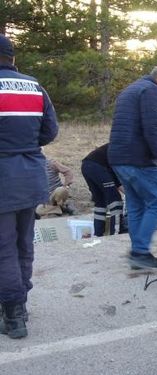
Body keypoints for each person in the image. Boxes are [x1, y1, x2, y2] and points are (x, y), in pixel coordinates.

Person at [0, 34, 58, 339]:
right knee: (24, 244)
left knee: (4, 249)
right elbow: (50, 131)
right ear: (13, 58)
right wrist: (24, 146)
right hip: (31, 176)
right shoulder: (34, 86)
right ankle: (19, 303)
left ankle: (13, 315)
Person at [108, 64, 157, 269]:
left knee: (137, 205)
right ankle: (140, 252)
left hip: (118, 157)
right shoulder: (152, 92)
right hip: (137, 158)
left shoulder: (131, 89)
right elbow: (152, 128)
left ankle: (138, 253)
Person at [81, 143, 125, 236]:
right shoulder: (126, 147)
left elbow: (113, 175)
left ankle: (98, 234)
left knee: (100, 202)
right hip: (97, 167)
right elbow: (115, 173)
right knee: (116, 200)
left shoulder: (117, 144)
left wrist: (125, 190)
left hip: (86, 166)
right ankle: (116, 232)